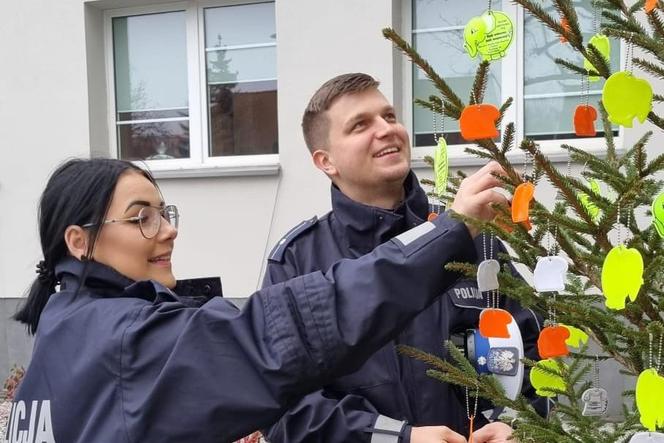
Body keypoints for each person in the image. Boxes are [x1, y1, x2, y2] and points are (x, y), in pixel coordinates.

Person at [7, 157, 507, 443]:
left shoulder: (64, 331)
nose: (169, 230)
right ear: (79, 241)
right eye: (142, 218)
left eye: (165, 211)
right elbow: (292, 327)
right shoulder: (126, 340)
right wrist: (445, 234)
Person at [262, 73, 545, 443]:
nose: (386, 129)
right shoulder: (298, 261)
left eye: (389, 116)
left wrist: (516, 424)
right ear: (326, 161)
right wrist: (398, 438)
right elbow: (283, 408)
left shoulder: (473, 237)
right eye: (360, 125)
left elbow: (536, 349)